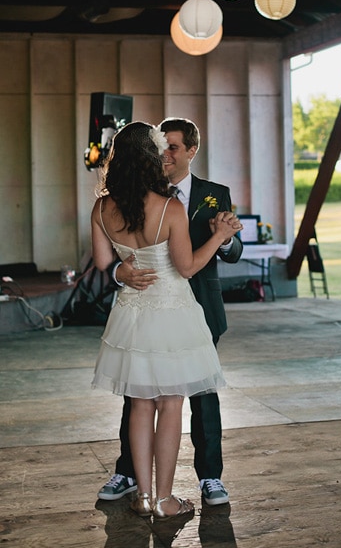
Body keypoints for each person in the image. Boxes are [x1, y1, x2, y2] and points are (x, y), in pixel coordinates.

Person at [90, 122, 241, 518]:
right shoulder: (169, 207)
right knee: (171, 405)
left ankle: (142, 496)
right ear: (152, 156)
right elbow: (187, 267)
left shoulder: (102, 207)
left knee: (141, 405)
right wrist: (218, 234)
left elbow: (104, 263)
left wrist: (121, 272)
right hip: (174, 314)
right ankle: (164, 500)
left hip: (131, 315)